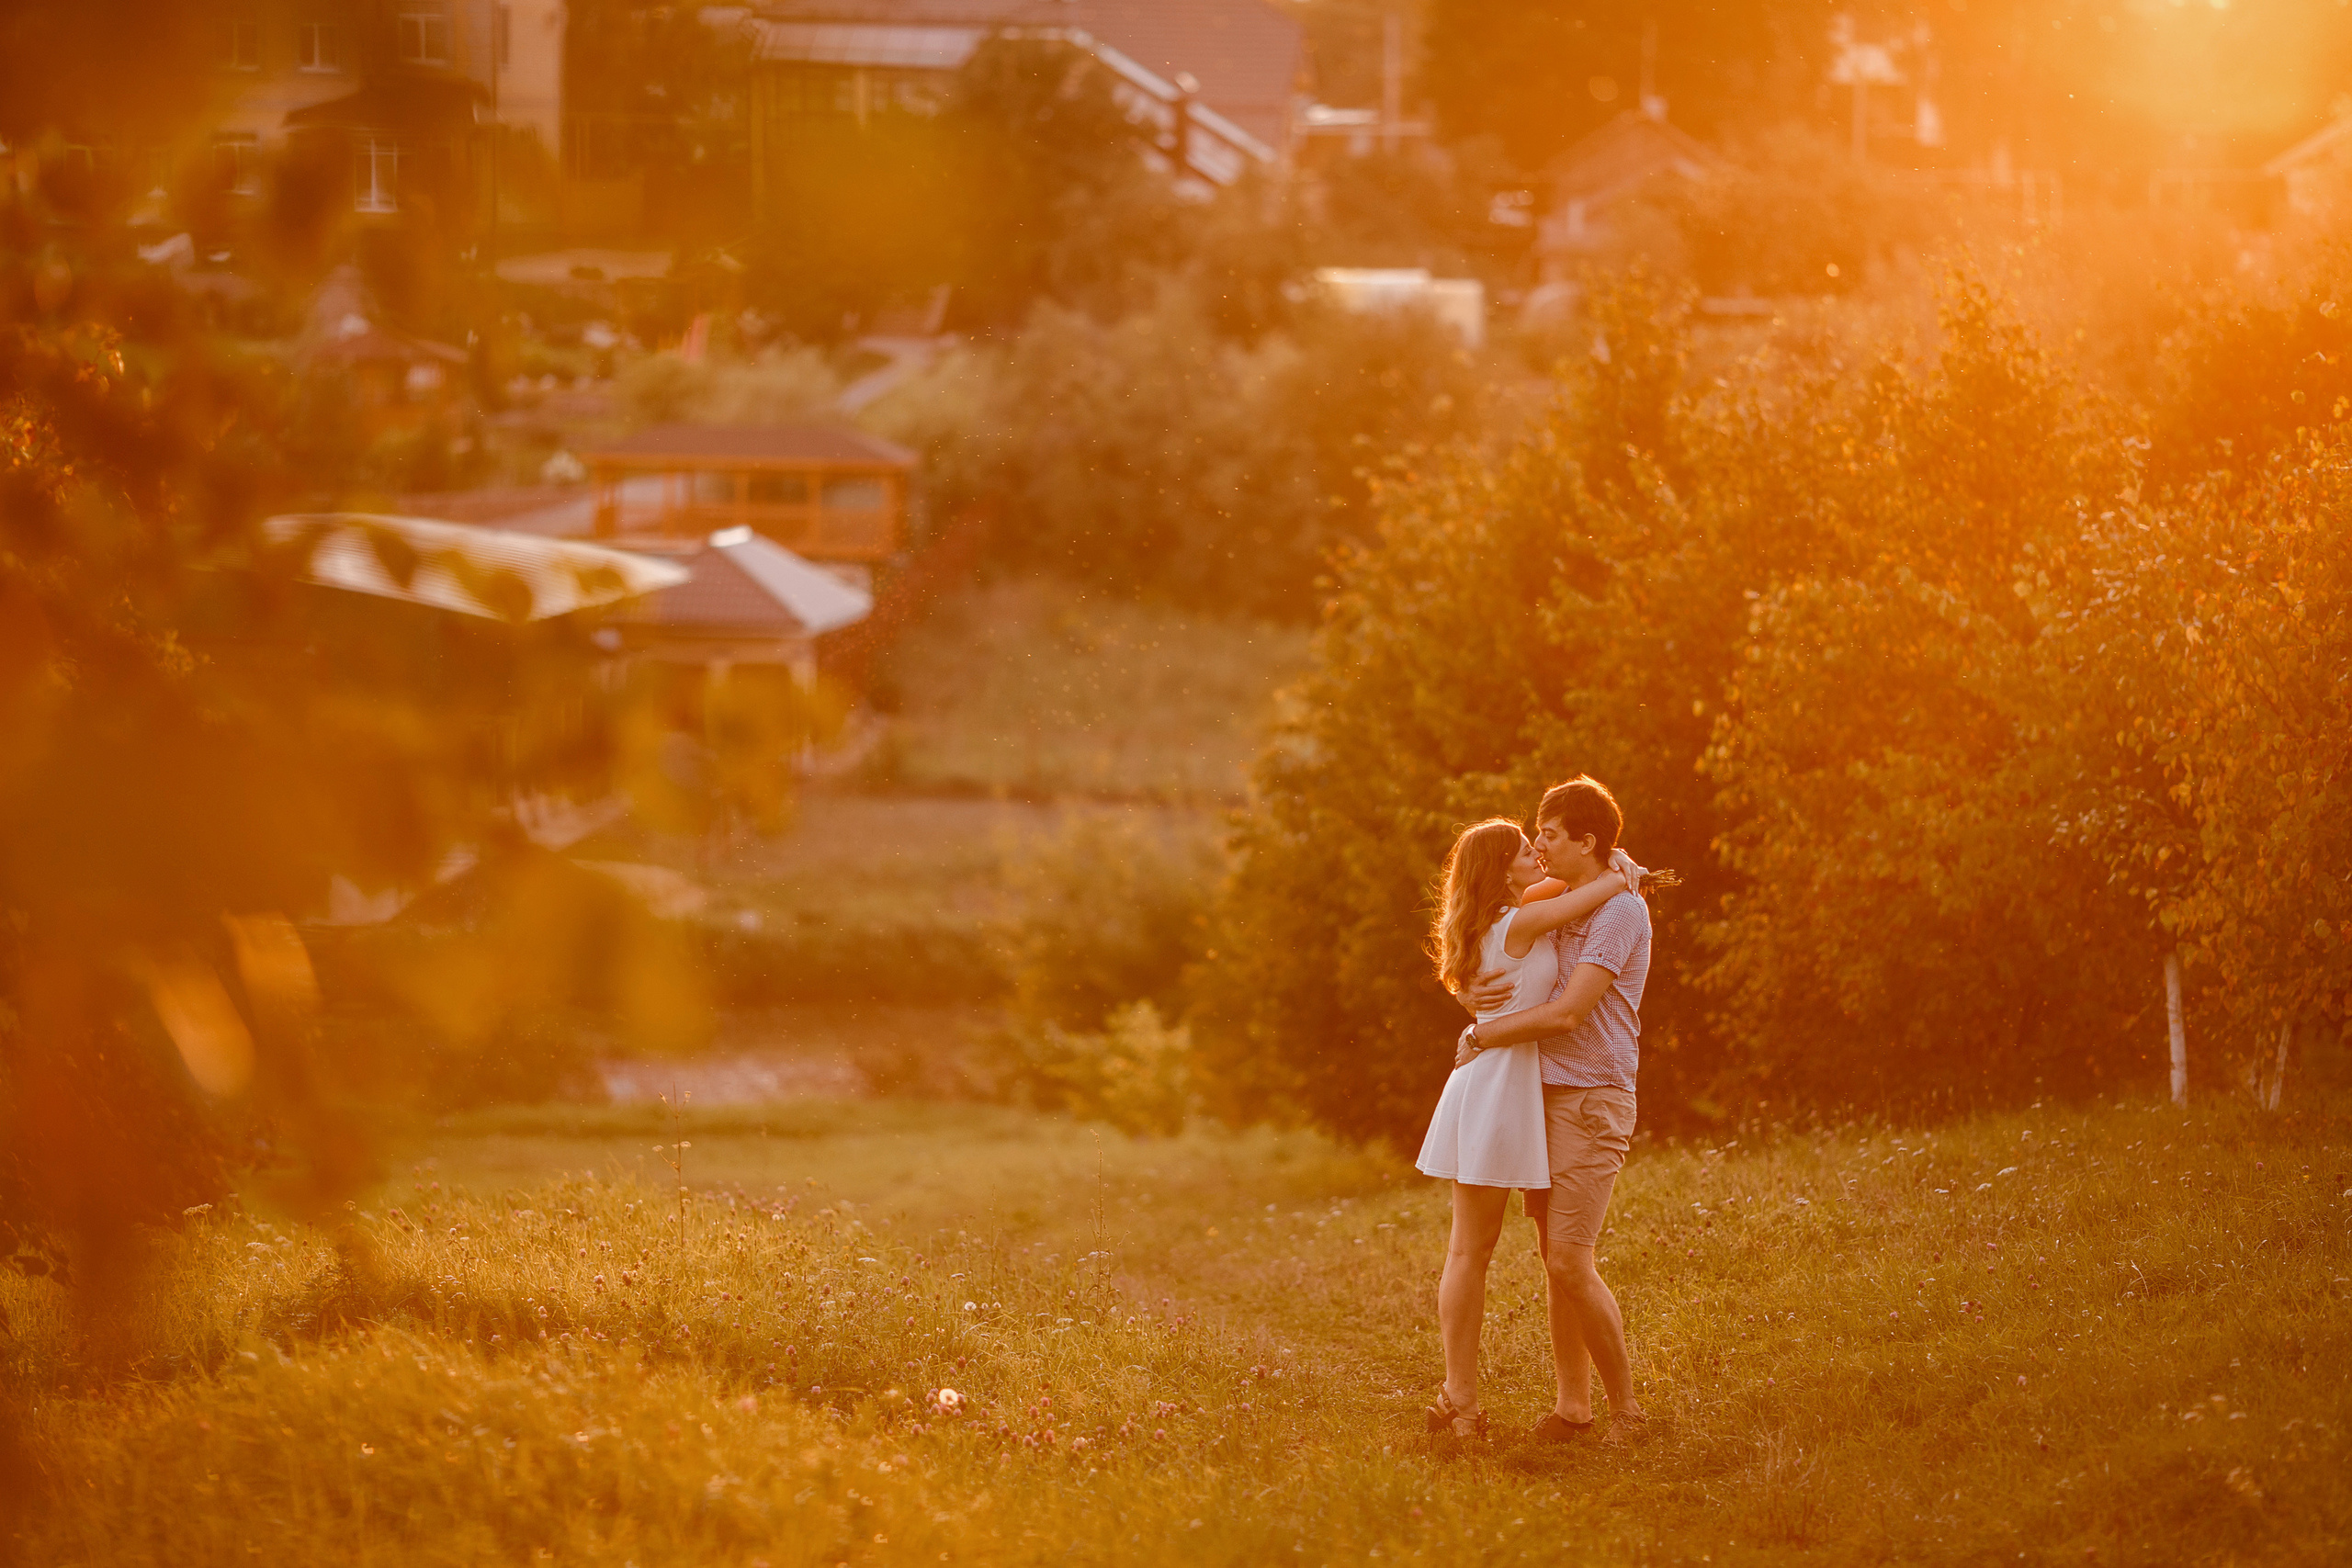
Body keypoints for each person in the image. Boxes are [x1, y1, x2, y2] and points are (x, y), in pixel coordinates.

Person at [1414, 815, 1642, 1439]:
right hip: (1497, 1086)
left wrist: (1618, 863)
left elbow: (1560, 887)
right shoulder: (1520, 923)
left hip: (1501, 1085)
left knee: (1470, 1250)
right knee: (1471, 1252)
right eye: (1523, 848)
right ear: (1500, 870)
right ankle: (1460, 1401)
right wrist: (1623, 872)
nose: (1535, 852)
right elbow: (1591, 891)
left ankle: (1461, 1404)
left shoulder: (1497, 919)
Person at [1456, 775, 1668, 1442]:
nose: (1539, 844)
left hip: (1592, 1099)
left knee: (1571, 1260)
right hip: (1542, 1095)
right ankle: (1573, 1408)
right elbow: (1492, 948)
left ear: (1587, 840)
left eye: (1549, 834)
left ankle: (1627, 1412)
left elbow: (1571, 1011)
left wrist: (1483, 1034)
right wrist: (1470, 996)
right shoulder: (1563, 896)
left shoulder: (1620, 911)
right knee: (1554, 1257)